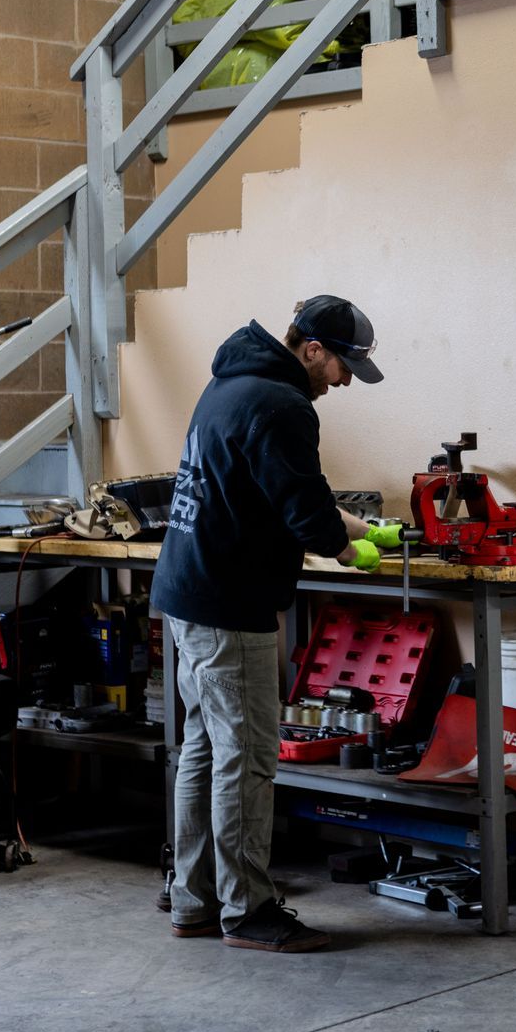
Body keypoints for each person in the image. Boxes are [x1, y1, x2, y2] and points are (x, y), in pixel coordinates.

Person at [152, 295, 402, 952]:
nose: (344, 381)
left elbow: (284, 491)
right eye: (342, 365)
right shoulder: (284, 403)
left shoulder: (232, 384)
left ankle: (196, 901)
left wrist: (364, 527)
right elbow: (305, 510)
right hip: (229, 603)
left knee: (206, 747)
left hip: (189, 590)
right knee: (250, 754)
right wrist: (353, 549)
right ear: (311, 348)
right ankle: (249, 911)